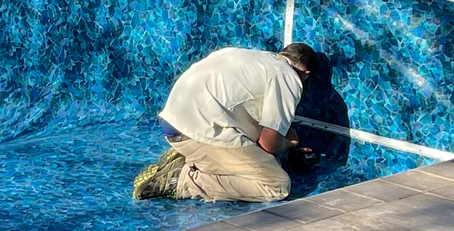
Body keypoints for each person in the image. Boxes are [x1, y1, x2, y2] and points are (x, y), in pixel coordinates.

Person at [133, 42, 322, 203]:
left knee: (265, 162)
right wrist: (288, 142)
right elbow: (267, 145)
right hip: (197, 133)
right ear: (306, 73)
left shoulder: (252, 57)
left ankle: (189, 157)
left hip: (175, 123)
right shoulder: (288, 75)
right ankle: (183, 179)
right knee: (277, 185)